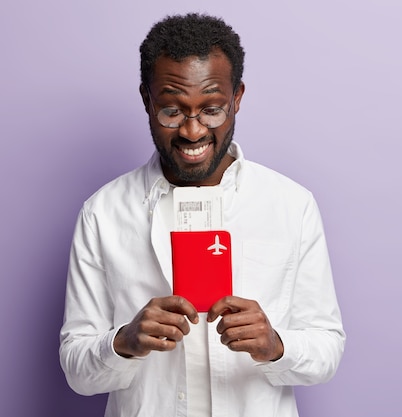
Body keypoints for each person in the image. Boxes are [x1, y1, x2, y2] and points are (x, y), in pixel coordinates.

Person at [59, 13, 345, 417]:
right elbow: (77, 370)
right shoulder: (103, 213)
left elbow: (327, 348)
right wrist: (123, 342)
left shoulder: (291, 205)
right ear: (147, 100)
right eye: (171, 111)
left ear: (237, 97)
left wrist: (276, 346)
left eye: (211, 109)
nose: (193, 131)